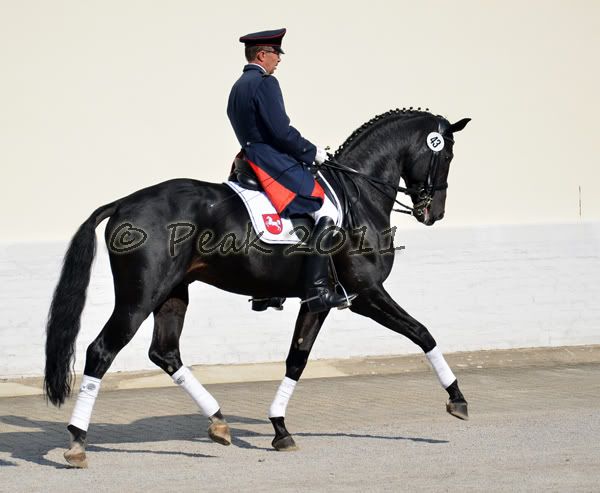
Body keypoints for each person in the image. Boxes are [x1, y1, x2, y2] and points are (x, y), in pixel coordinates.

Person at [227, 28, 354, 313]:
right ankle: (318, 290)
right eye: (275, 54)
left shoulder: (238, 85)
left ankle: (265, 291)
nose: (278, 60)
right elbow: (281, 132)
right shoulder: (265, 83)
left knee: (269, 215)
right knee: (326, 210)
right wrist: (314, 152)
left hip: (246, 158)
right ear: (262, 54)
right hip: (270, 160)